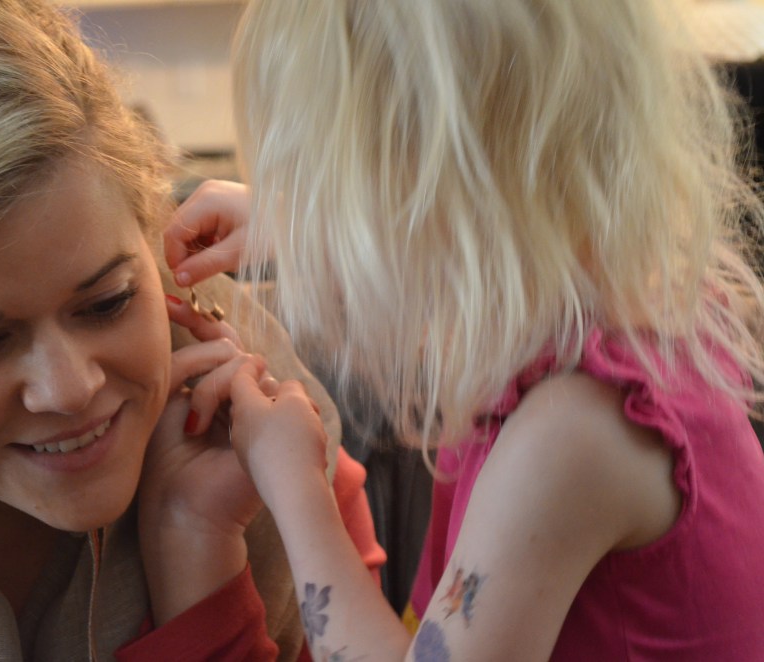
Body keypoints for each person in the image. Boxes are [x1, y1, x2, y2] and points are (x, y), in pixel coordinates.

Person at [0, 0, 385, 659]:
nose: (68, 389)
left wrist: (195, 554)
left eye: (108, 302)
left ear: (155, 242)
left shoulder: (292, 473)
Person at [164, 0, 764, 659]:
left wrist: (293, 485)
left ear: (444, 200)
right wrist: (306, 227)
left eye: (329, 194)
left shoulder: (577, 433)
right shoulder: (612, 307)